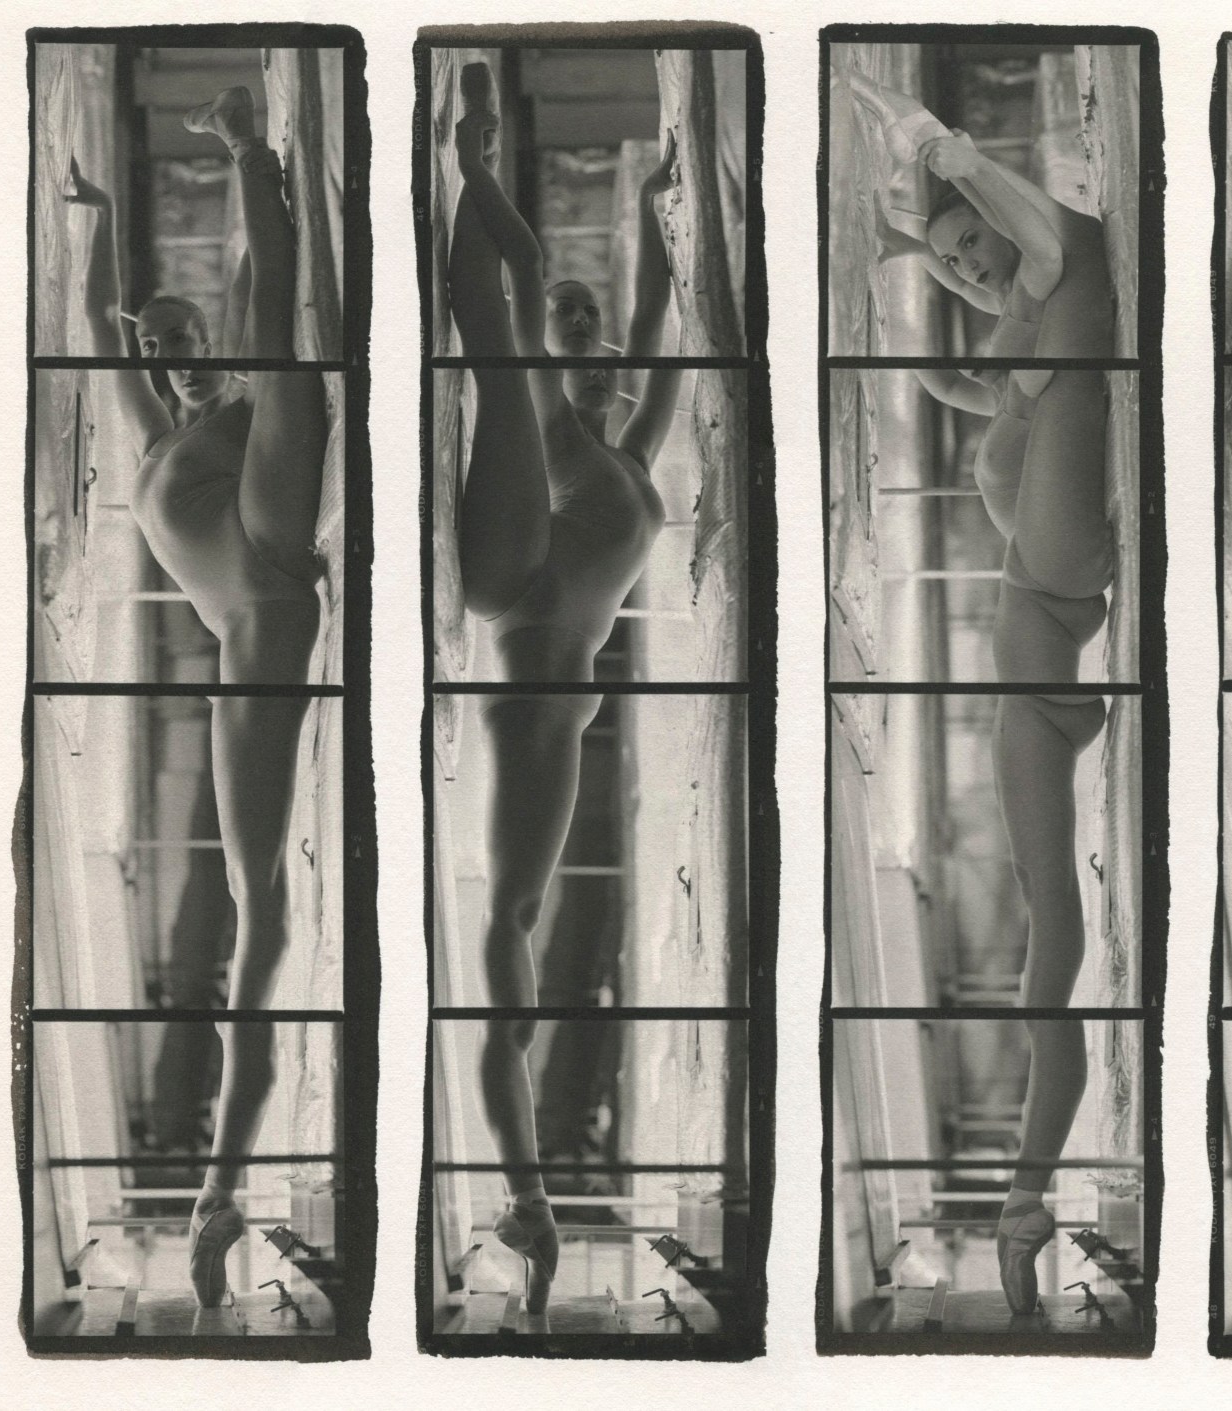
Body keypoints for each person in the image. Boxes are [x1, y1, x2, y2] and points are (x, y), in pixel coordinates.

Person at [846, 68, 1117, 1317]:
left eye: (972, 249)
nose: (966, 268)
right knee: (1046, 953)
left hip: (1047, 621)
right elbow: (968, 376)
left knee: (1047, 959)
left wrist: (937, 153)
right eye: (953, 262)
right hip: (1041, 643)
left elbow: (1051, 249)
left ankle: (1028, 1192)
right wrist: (905, 258)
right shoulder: (1024, 328)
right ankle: (1024, 1194)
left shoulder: (1060, 281)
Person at [65, 80, 331, 1309]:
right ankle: (223, 1185)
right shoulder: (156, 430)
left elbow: (268, 305)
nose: (165, 351)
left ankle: (224, 1181)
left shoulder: (240, 409)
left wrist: (245, 163)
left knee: (258, 915)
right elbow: (95, 318)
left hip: (269, 604)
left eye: (180, 336)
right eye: (154, 341)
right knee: (250, 911)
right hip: (240, 643)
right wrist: (97, 220)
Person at [446, 59, 684, 1332]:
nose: (589, 335)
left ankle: (524, 1196)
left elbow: (660, 317)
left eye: (593, 324)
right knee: (510, 934)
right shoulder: (550, 419)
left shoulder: (631, 448)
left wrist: (654, 210)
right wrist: (484, 172)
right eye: (571, 324)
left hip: (562, 692)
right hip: (529, 659)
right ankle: (522, 1192)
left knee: (523, 928)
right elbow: (540, 301)